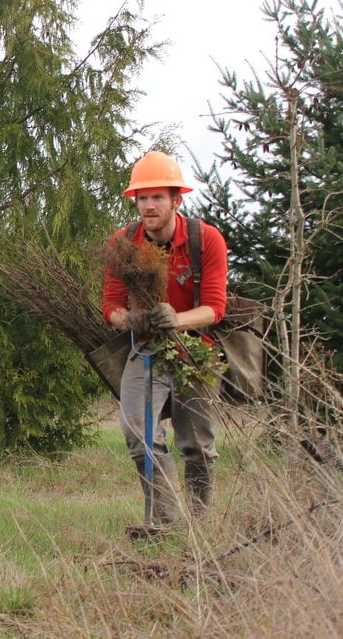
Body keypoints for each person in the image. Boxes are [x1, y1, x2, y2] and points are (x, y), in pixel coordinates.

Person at [101, 151, 228, 534]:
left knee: (198, 447)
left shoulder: (205, 239)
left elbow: (215, 308)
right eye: (142, 197)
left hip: (197, 350)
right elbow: (109, 304)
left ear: (177, 199)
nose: (149, 205)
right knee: (140, 437)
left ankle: (199, 525)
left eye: (158, 197)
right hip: (146, 349)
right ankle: (166, 523)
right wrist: (130, 319)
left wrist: (178, 319)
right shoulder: (123, 244)